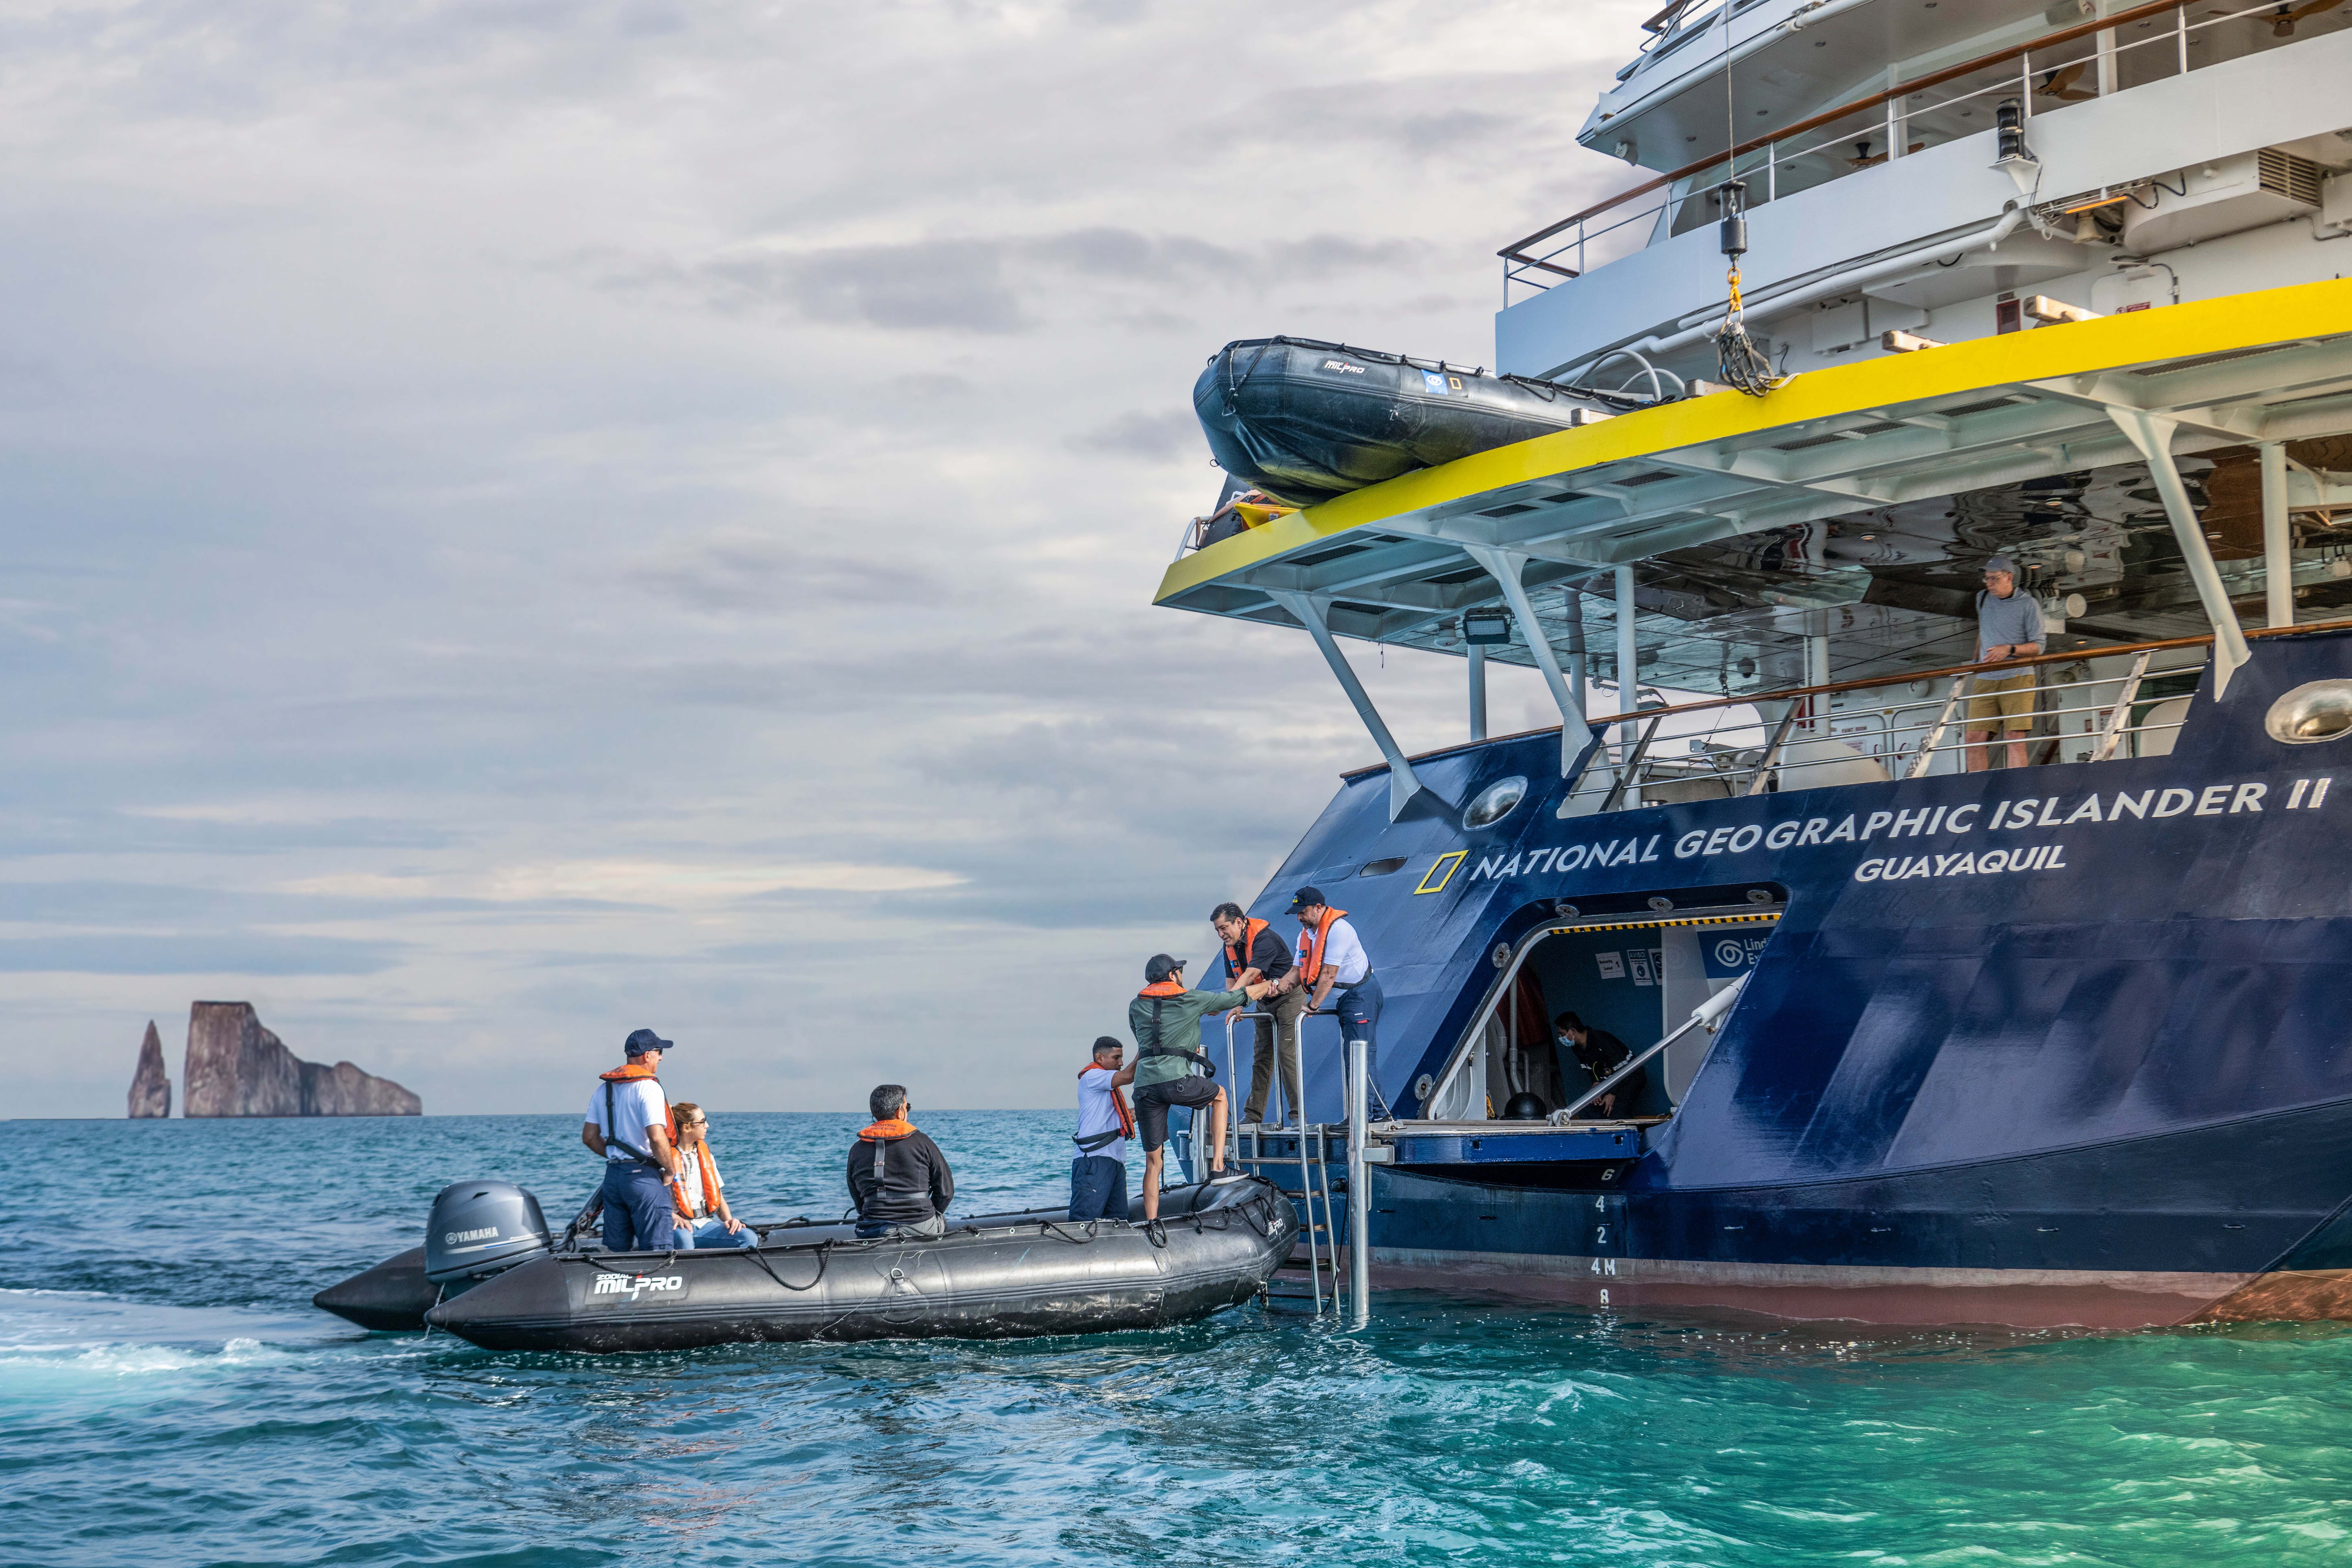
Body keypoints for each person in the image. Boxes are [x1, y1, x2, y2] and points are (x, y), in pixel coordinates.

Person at [1129, 953, 1271, 1222]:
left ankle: (1151, 1223)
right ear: (1172, 975)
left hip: (1145, 1086)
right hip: (1176, 1081)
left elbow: (1145, 1039)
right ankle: (1218, 1167)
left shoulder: (1136, 1006)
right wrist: (1269, 985)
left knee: (1153, 1162)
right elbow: (1237, 997)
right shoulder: (1189, 998)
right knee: (1219, 1096)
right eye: (1179, 971)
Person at [580, 1027, 684, 1252]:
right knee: (658, 1251)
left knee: (617, 1252)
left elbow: (589, 1137)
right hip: (644, 1179)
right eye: (659, 1052)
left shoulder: (603, 1089)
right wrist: (670, 1169)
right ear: (647, 1055)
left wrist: (615, 1155)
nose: (661, 1057)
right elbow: (657, 1137)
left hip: (613, 1179)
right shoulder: (649, 1088)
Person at [1212, 902, 1305, 1129]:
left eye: (1224, 928)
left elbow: (1252, 973)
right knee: (1261, 1056)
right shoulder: (1230, 947)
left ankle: (1297, 1115)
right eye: (1218, 930)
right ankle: (1253, 1115)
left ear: (1240, 922)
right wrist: (1236, 1006)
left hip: (1288, 997)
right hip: (1264, 999)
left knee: (1286, 1053)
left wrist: (1226, 1002)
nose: (1222, 934)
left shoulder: (1265, 939)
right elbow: (1233, 980)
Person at [1291, 887, 1384, 1110]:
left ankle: (1363, 1117)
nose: (1299, 917)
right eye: (1297, 913)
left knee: (1359, 1056)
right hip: (1347, 999)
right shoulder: (1307, 935)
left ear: (1319, 908)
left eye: (1303, 912)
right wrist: (1274, 987)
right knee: (1358, 1054)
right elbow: (1296, 972)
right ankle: (1380, 1113)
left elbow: (1329, 974)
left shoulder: (1340, 930)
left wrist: (1313, 1005)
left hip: (1361, 995)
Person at [1964, 555, 2045, 772]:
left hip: (2018, 676)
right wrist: (1975, 660)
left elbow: (2039, 646)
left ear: (2009, 577)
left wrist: (2009, 649)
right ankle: (1977, 792)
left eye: (1994, 578)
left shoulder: (2029, 604)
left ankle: (2016, 791)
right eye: (1986, 579)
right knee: (1973, 738)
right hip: (1985, 678)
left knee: (2015, 737)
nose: (1989, 583)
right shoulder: (1982, 598)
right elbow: (1984, 630)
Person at [847, 1084, 954, 1239]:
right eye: (907, 1107)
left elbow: (858, 1200)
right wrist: (927, 1214)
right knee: (942, 1222)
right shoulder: (923, 1143)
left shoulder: (856, 1149)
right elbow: (946, 1192)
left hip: (874, 1229)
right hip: (921, 1226)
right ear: (900, 1111)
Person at [667, 1101, 752, 1249]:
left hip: (705, 1224)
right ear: (687, 1128)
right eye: (702, 1122)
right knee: (685, 1241)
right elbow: (653, 1200)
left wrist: (730, 1220)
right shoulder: (665, 1159)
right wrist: (671, 1217)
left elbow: (718, 1197)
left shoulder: (706, 1156)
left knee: (748, 1237)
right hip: (677, 1225)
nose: (707, 1126)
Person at [1071, 1036, 1135, 1222]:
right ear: (1100, 1058)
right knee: (1084, 1221)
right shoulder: (1093, 1077)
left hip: (1115, 1163)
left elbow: (1124, 1117)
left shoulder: (1106, 1087)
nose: (1121, 1063)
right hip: (1094, 1161)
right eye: (1116, 1058)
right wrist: (1146, 1050)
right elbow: (1129, 1077)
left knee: (1119, 1221)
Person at [1556, 1012, 1643, 1119]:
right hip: (1610, 1082)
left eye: (1562, 1034)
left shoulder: (1601, 1040)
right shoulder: (1578, 1048)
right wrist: (1596, 1086)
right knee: (1588, 1109)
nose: (1560, 1038)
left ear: (1573, 1031)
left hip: (1630, 1076)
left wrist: (1612, 1093)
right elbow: (1593, 1070)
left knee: (1618, 1112)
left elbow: (1624, 1070)